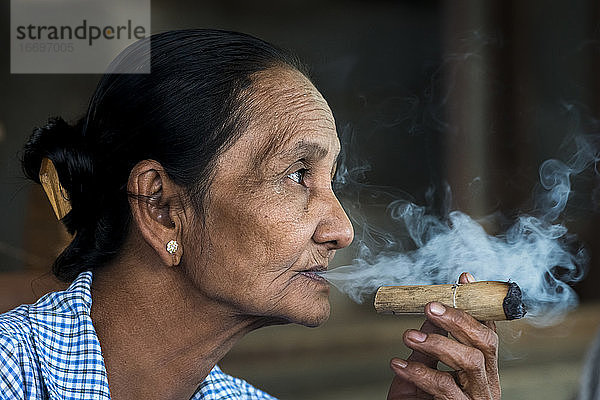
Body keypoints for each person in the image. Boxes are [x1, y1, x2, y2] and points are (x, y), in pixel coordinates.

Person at [0, 29, 500, 400]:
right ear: (162, 207)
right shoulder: (14, 373)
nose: (342, 230)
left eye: (332, 179)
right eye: (296, 174)